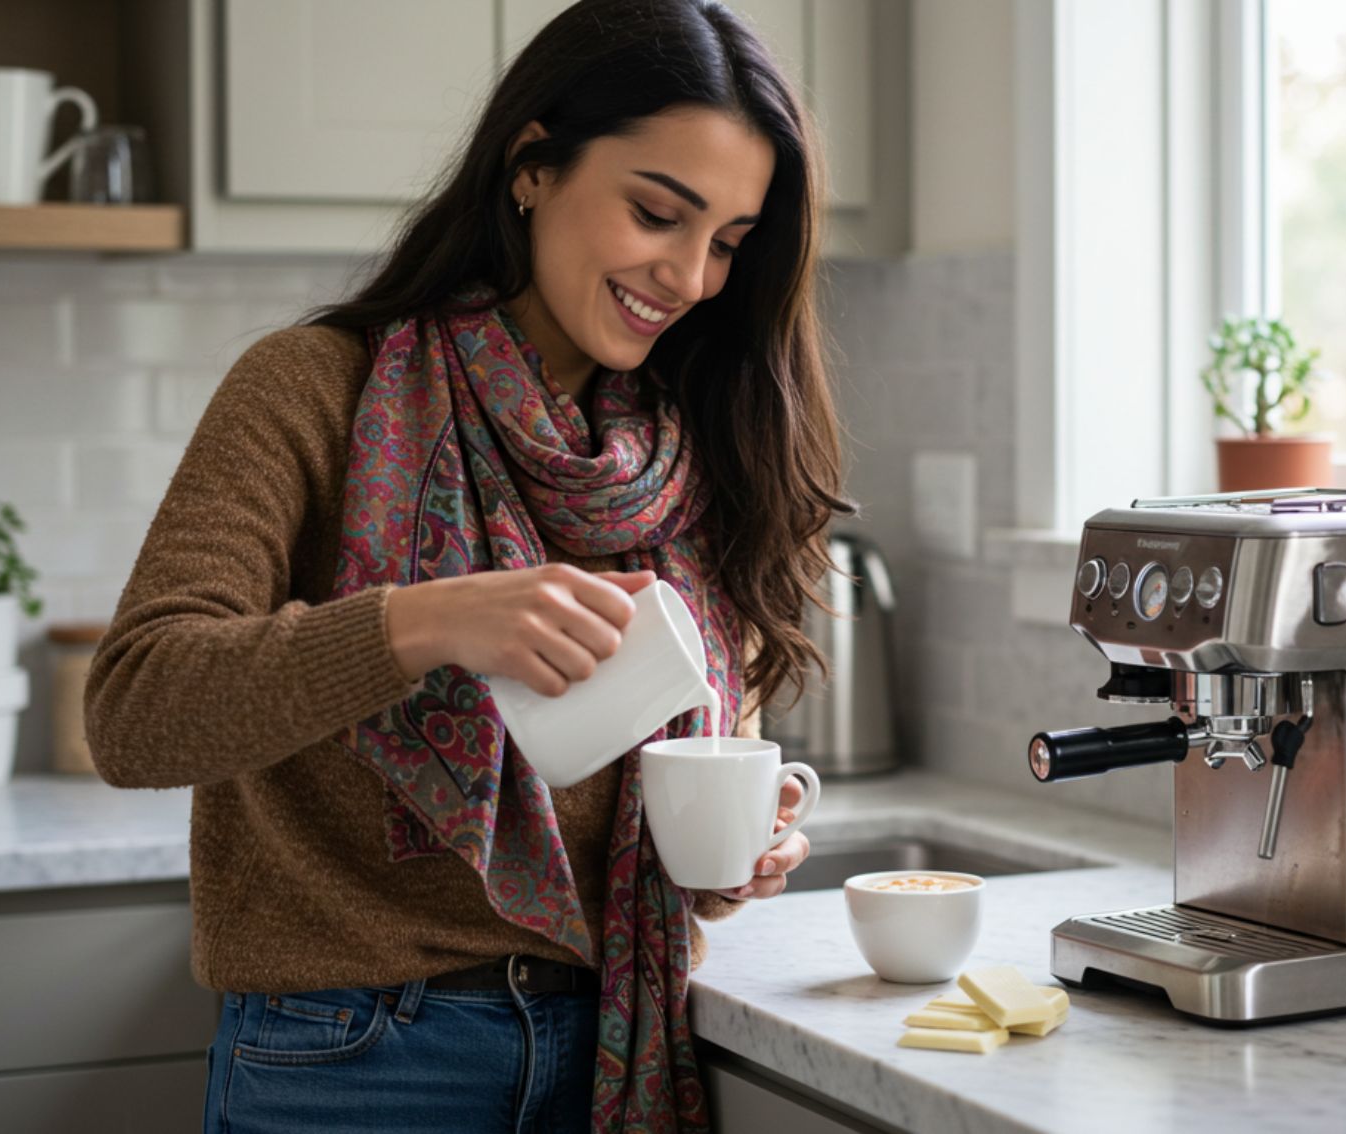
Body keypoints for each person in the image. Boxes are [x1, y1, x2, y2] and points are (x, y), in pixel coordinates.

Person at [84, 1, 852, 1131]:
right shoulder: (311, 390)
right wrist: (420, 625)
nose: (690, 275)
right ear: (532, 165)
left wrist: (732, 848)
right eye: (657, 213)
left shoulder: (687, 455)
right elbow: (135, 711)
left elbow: (643, 790)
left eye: (730, 242)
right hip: (354, 1060)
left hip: (612, 1042)